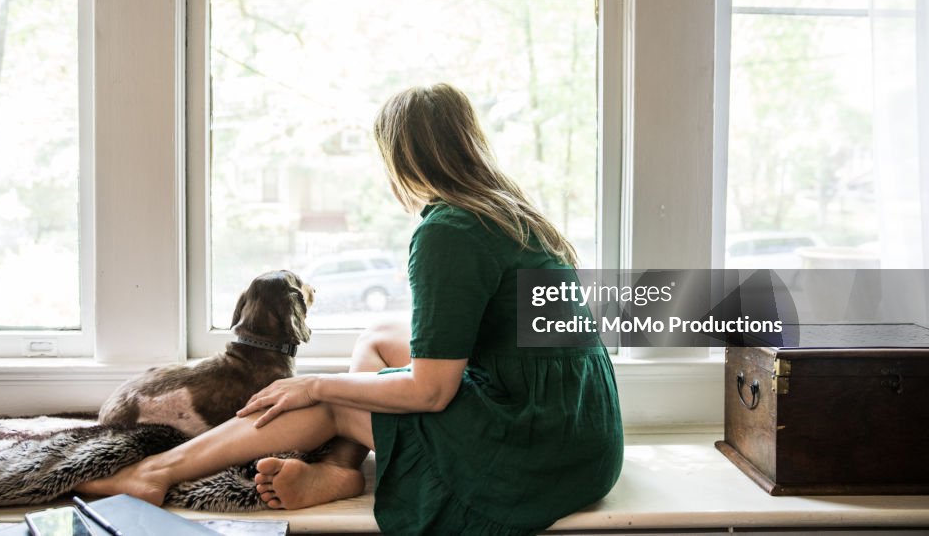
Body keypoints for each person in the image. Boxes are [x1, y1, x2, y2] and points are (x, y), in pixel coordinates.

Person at [77, 84, 623, 536]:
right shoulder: (512, 213)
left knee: (330, 399)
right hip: (581, 436)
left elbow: (432, 392)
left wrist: (316, 386)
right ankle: (339, 469)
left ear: (400, 158)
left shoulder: (450, 231)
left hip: (531, 455)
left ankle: (155, 472)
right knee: (381, 335)